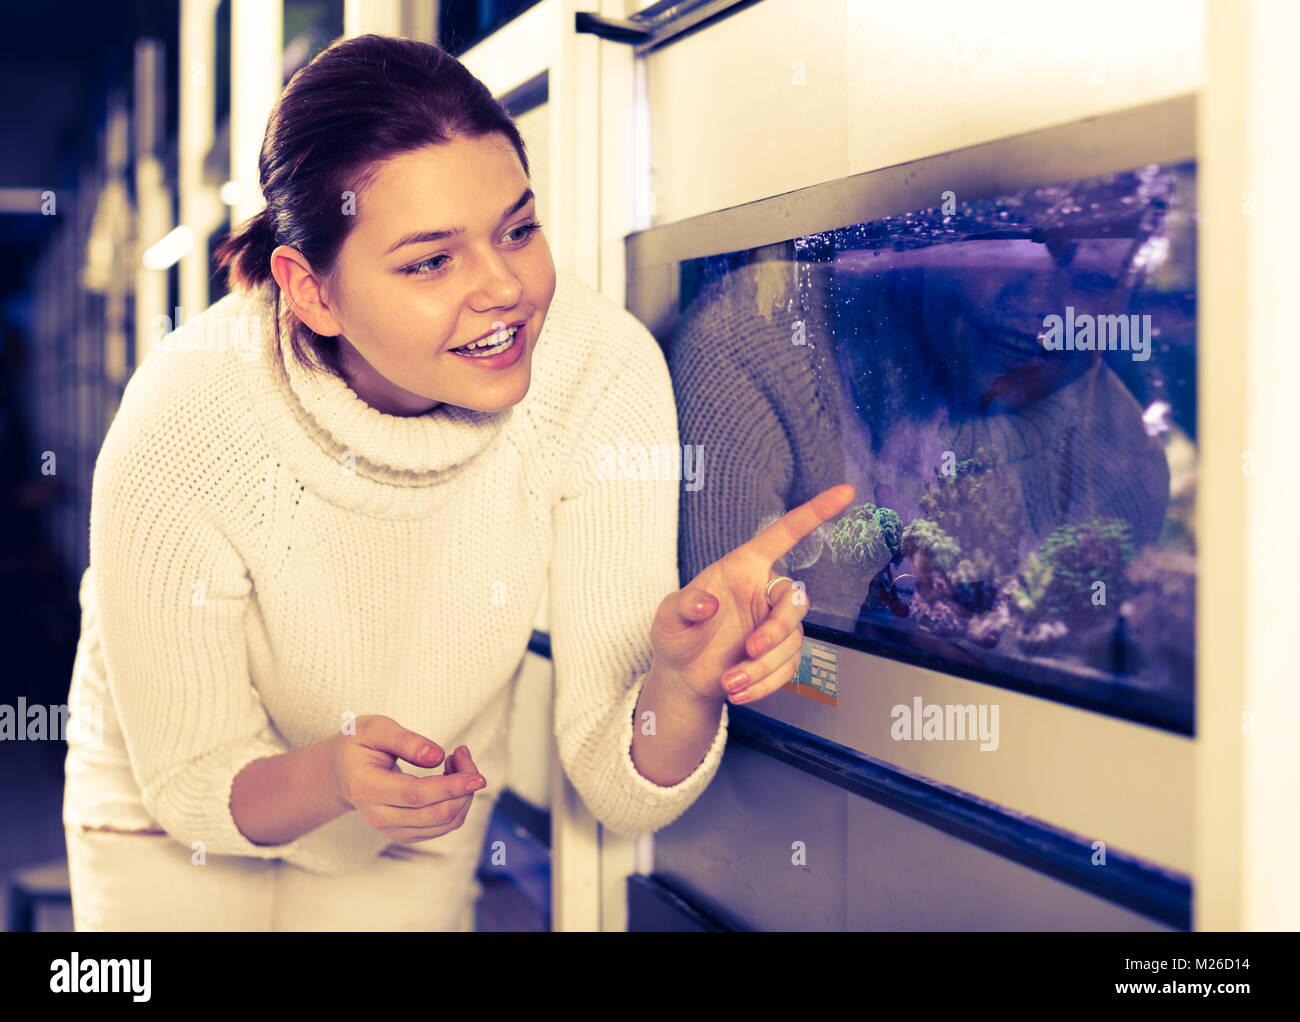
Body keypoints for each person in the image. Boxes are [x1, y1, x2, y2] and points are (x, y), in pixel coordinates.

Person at [61, 33, 852, 931]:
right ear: (310, 290)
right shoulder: (188, 413)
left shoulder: (597, 374)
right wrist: (331, 775)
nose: (505, 288)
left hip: (412, 812)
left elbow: (621, 786)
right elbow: (192, 782)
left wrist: (681, 686)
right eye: (430, 262)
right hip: (179, 818)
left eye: (518, 229)